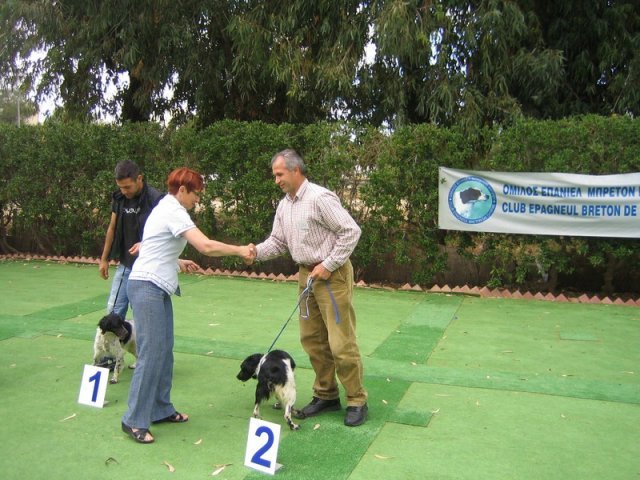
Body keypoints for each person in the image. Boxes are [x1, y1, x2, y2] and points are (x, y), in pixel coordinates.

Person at [121, 167, 254, 444]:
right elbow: (205, 246)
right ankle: (134, 419)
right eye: (195, 194)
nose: (197, 200)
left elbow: (154, 246)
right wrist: (240, 250)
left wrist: (177, 262)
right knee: (151, 352)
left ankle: (159, 408)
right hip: (146, 286)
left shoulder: (166, 208)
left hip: (157, 285)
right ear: (182, 190)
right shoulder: (173, 210)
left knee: (164, 349)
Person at [249, 149, 368, 427]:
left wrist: (328, 264)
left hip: (332, 275)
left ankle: (356, 400)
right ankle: (326, 395)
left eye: (279, 174)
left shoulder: (319, 198)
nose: (276, 180)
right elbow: (277, 242)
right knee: (313, 341)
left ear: (295, 171)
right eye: (274, 176)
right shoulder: (284, 205)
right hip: (306, 276)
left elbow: (351, 231)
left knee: (341, 343)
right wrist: (254, 251)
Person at [99, 160, 164, 320]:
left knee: (141, 314)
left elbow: (165, 233)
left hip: (149, 269)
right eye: (120, 187)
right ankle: (108, 345)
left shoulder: (156, 199)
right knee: (113, 312)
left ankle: (140, 345)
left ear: (139, 179)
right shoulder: (119, 198)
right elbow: (112, 228)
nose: (124, 191)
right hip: (126, 265)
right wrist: (104, 259)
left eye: (127, 187)